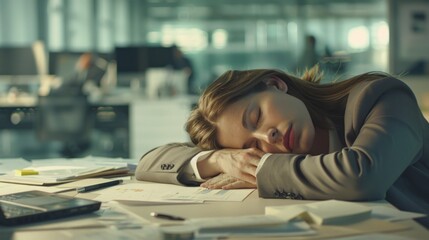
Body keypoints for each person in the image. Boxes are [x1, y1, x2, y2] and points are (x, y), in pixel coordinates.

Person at [135, 66, 429, 228]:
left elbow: (362, 176)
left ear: (276, 84)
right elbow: (149, 162)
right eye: (251, 146)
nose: (268, 137)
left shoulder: (378, 98)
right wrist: (221, 160)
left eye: (257, 116)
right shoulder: (268, 152)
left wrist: (260, 167)